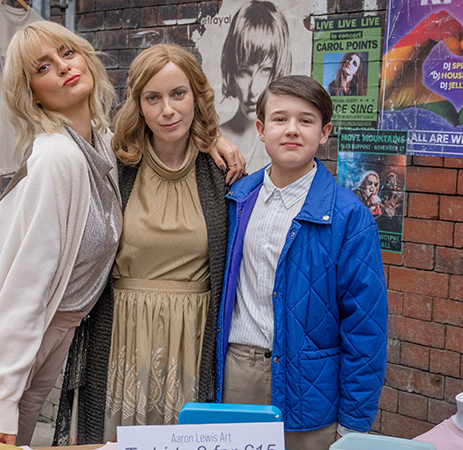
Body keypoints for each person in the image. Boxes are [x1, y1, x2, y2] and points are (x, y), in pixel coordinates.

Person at [0, 20, 122, 449]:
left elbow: (160, 128)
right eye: (44, 67)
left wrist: (212, 138)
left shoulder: (98, 144)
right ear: (31, 91)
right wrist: (5, 398)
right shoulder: (57, 159)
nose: (64, 67)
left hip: (37, 346)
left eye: (67, 53)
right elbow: (25, 288)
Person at [54, 43, 230, 444]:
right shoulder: (115, 164)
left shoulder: (222, 173)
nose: (167, 110)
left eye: (178, 94)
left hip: (191, 339)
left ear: (196, 97)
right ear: (139, 105)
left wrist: (217, 139)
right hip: (121, 337)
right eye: (153, 98)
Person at [216, 75, 388, 450]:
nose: (292, 130)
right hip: (236, 376)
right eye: (279, 119)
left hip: (309, 387)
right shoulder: (235, 199)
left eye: (306, 120)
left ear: (324, 132)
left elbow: (365, 326)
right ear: (261, 129)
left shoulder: (348, 216)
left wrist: (355, 421)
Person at [219, 0, 291, 173]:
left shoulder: (290, 140)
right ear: (232, 72)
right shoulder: (212, 139)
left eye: (265, 70)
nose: (254, 89)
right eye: (244, 72)